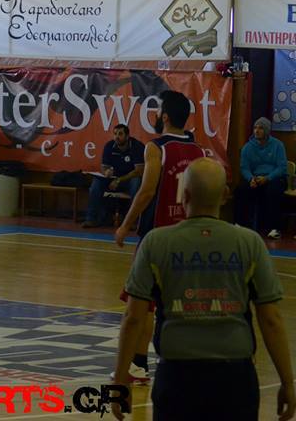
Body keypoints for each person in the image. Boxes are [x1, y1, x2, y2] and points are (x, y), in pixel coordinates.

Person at [112, 158, 294, 421]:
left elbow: (133, 318)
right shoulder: (250, 243)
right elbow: (272, 320)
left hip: (176, 377)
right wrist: (287, 382)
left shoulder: (155, 243)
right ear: (225, 195)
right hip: (235, 378)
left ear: (184, 195)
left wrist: (120, 381)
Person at [113, 90, 204, 384]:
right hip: (188, 236)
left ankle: (137, 364)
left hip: (157, 236)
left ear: (164, 116)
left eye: (157, 110)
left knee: (141, 304)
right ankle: (170, 363)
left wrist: (125, 225)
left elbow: (147, 191)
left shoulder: (155, 148)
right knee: (176, 304)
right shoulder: (199, 151)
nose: (154, 114)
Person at [234, 117, 287, 239]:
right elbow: (244, 168)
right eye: (255, 128)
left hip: (274, 178)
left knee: (273, 191)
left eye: (261, 128)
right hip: (256, 179)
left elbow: (282, 167)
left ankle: (275, 228)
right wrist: (250, 179)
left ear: (267, 131)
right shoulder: (248, 147)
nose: (257, 131)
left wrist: (268, 178)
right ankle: (240, 225)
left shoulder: (278, 145)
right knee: (241, 190)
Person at [83, 124, 144, 228]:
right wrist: (106, 172)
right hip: (113, 180)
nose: (117, 137)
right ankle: (91, 219)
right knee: (96, 183)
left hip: (129, 179)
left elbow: (139, 171)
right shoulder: (109, 146)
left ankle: (133, 221)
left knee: (136, 182)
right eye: (115, 134)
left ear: (127, 136)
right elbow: (104, 167)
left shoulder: (137, 146)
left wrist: (119, 180)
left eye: (120, 134)